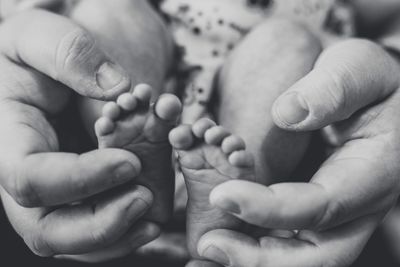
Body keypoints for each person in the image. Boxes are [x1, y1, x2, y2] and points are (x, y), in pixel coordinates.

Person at [0, 1, 400, 267]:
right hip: (150, 61)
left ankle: (235, 193)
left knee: (289, 44)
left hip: (272, 72)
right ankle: (134, 166)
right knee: (108, 12)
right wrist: (15, 41)